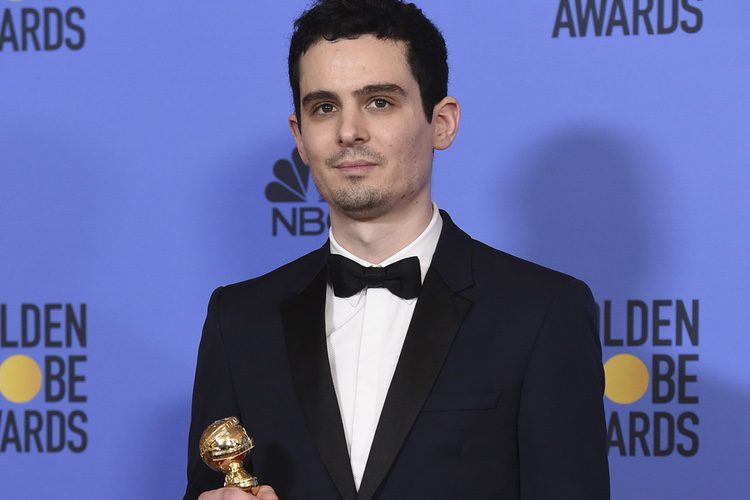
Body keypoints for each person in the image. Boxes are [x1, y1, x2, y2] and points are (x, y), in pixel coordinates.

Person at [185, 1, 610, 499]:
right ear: (299, 137)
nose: (348, 132)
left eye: (379, 102)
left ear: (443, 122)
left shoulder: (541, 313)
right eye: (324, 107)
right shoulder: (238, 320)